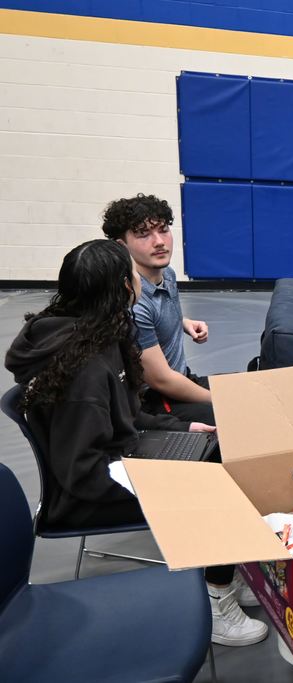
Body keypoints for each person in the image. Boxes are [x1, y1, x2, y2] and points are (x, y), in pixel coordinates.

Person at [4, 239, 267, 648]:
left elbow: (124, 414)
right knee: (221, 486)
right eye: (132, 272)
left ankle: (225, 571)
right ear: (124, 289)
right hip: (90, 490)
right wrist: (159, 476)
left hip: (120, 457)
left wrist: (180, 432)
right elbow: (81, 473)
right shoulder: (84, 369)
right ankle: (216, 599)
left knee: (228, 450)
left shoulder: (98, 333)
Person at [101, 194, 215, 424]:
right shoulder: (135, 302)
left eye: (163, 230)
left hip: (182, 377)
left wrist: (184, 322)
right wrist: (218, 399)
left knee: (253, 388)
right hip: (157, 401)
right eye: (144, 234)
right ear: (121, 246)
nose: (159, 241)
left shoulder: (167, 274)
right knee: (240, 413)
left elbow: (159, 311)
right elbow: (161, 380)